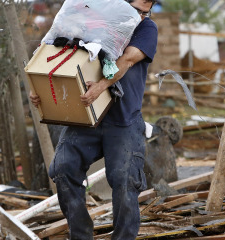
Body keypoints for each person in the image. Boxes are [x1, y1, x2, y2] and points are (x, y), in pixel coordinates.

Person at [30, 0, 158, 239]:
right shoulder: (95, 21)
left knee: (124, 180)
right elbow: (63, 56)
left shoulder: (146, 28)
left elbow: (128, 59)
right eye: (137, 9)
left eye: (146, 11)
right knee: (62, 168)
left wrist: (101, 86)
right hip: (86, 118)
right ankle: (80, 235)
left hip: (124, 120)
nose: (141, 15)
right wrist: (41, 90)